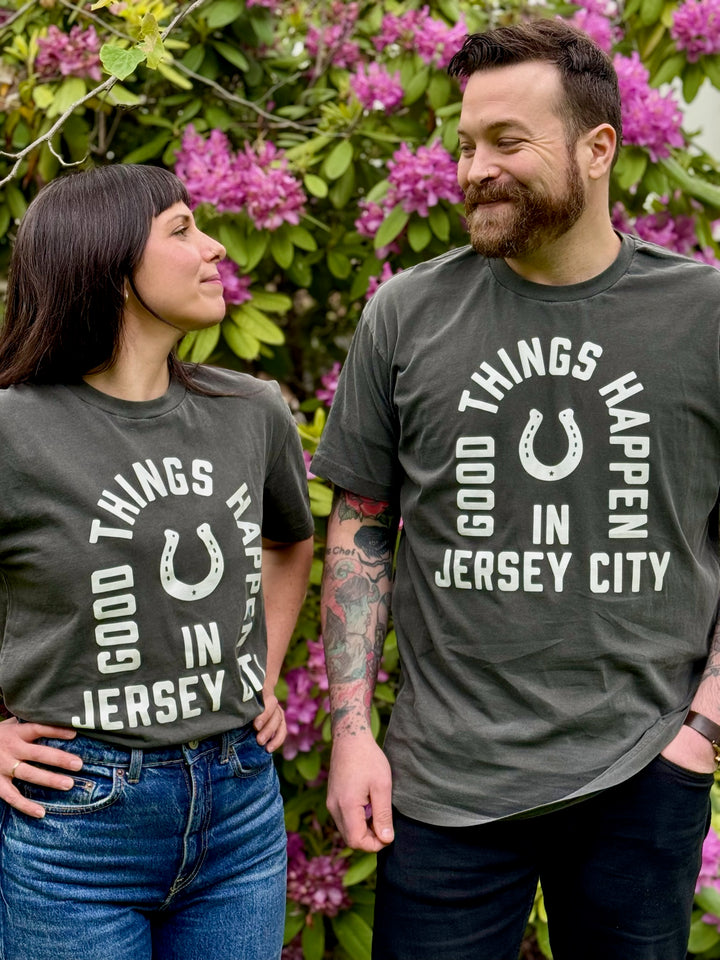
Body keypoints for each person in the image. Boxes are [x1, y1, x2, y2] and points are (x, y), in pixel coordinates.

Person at [311, 18, 720, 960]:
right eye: (464, 144)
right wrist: (349, 730)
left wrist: (699, 733)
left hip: (641, 778)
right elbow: (362, 523)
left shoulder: (700, 318)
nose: (474, 169)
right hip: (445, 786)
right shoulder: (406, 312)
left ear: (599, 148)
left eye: (507, 142)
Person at [0, 163, 314, 960]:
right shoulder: (14, 430)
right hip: (76, 823)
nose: (212, 247)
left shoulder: (251, 410)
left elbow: (289, 538)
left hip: (240, 808)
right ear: (107, 265)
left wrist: (263, 672)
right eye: (180, 230)